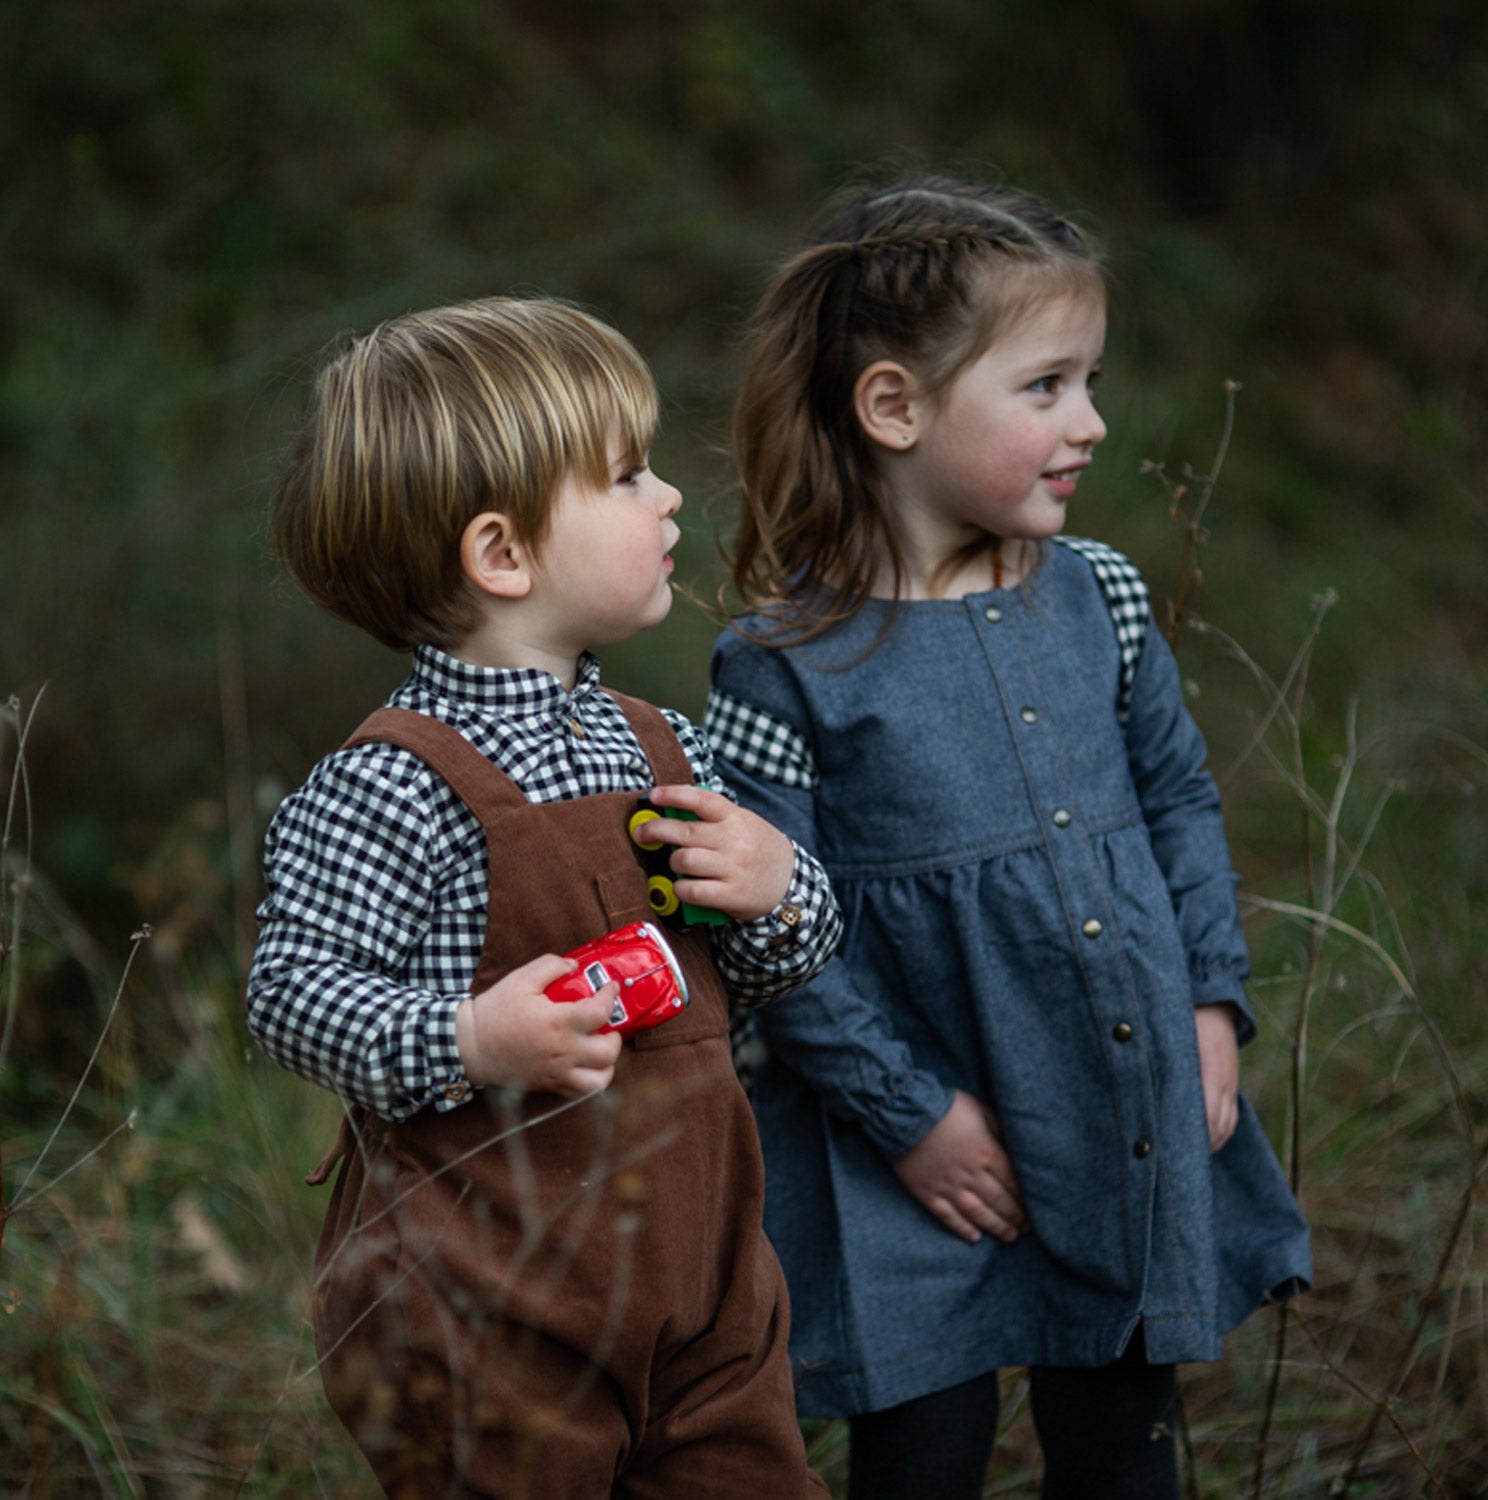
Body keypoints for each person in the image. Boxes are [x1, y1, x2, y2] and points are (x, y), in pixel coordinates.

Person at [704, 174, 1313, 1499]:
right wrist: (910, 1117)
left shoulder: (1102, 595)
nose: (1089, 422)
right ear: (894, 406)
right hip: (904, 1142)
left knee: (1121, 1439)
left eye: (1090, 381)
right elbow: (765, 929)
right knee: (924, 1450)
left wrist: (1212, 1000)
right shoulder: (782, 665)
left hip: (1108, 1088)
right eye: (1044, 387)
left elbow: (1178, 802)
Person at [246, 295, 842, 1499]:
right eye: (627, 477)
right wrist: (471, 1036)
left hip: (705, 1276)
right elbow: (290, 996)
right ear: (502, 554)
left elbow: (762, 975)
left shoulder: (662, 743)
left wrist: (777, 892)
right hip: (488, 1303)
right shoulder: (388, 785)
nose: (671, 495)